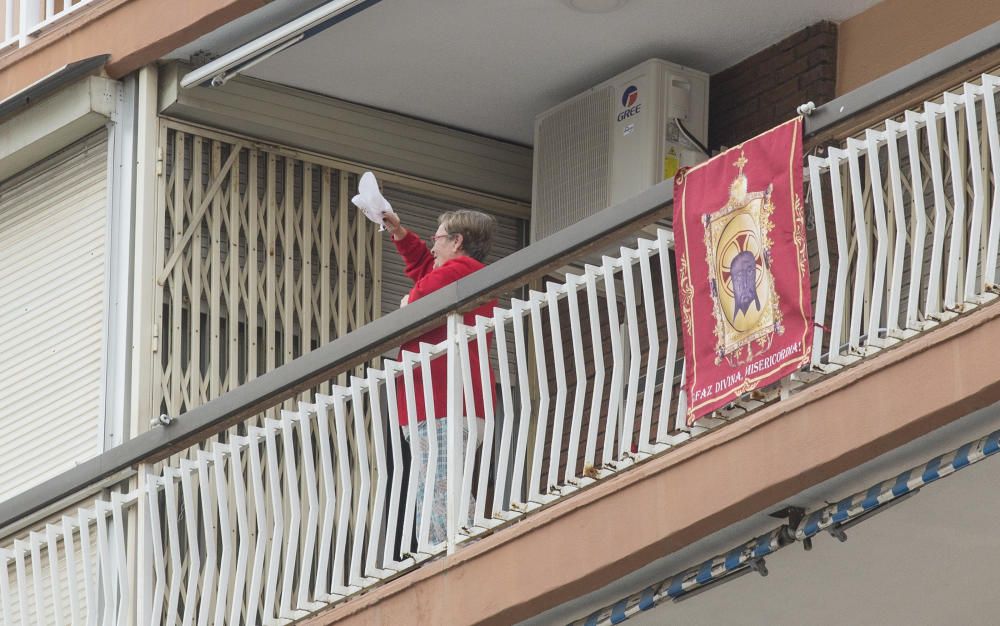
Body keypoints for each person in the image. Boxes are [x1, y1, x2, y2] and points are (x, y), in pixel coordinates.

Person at [382, 209, 497, 545]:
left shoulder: (463, 271)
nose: (431, 247)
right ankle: (443, 549)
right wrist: (400, 231)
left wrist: (407, 303)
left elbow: (418, 298)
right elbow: (424, 270)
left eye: (437, 239)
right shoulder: (458, 274)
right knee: (431, 484)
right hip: (437, 403)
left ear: (457, 241)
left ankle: (462, 548)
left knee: (439, 484)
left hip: (444, 402)